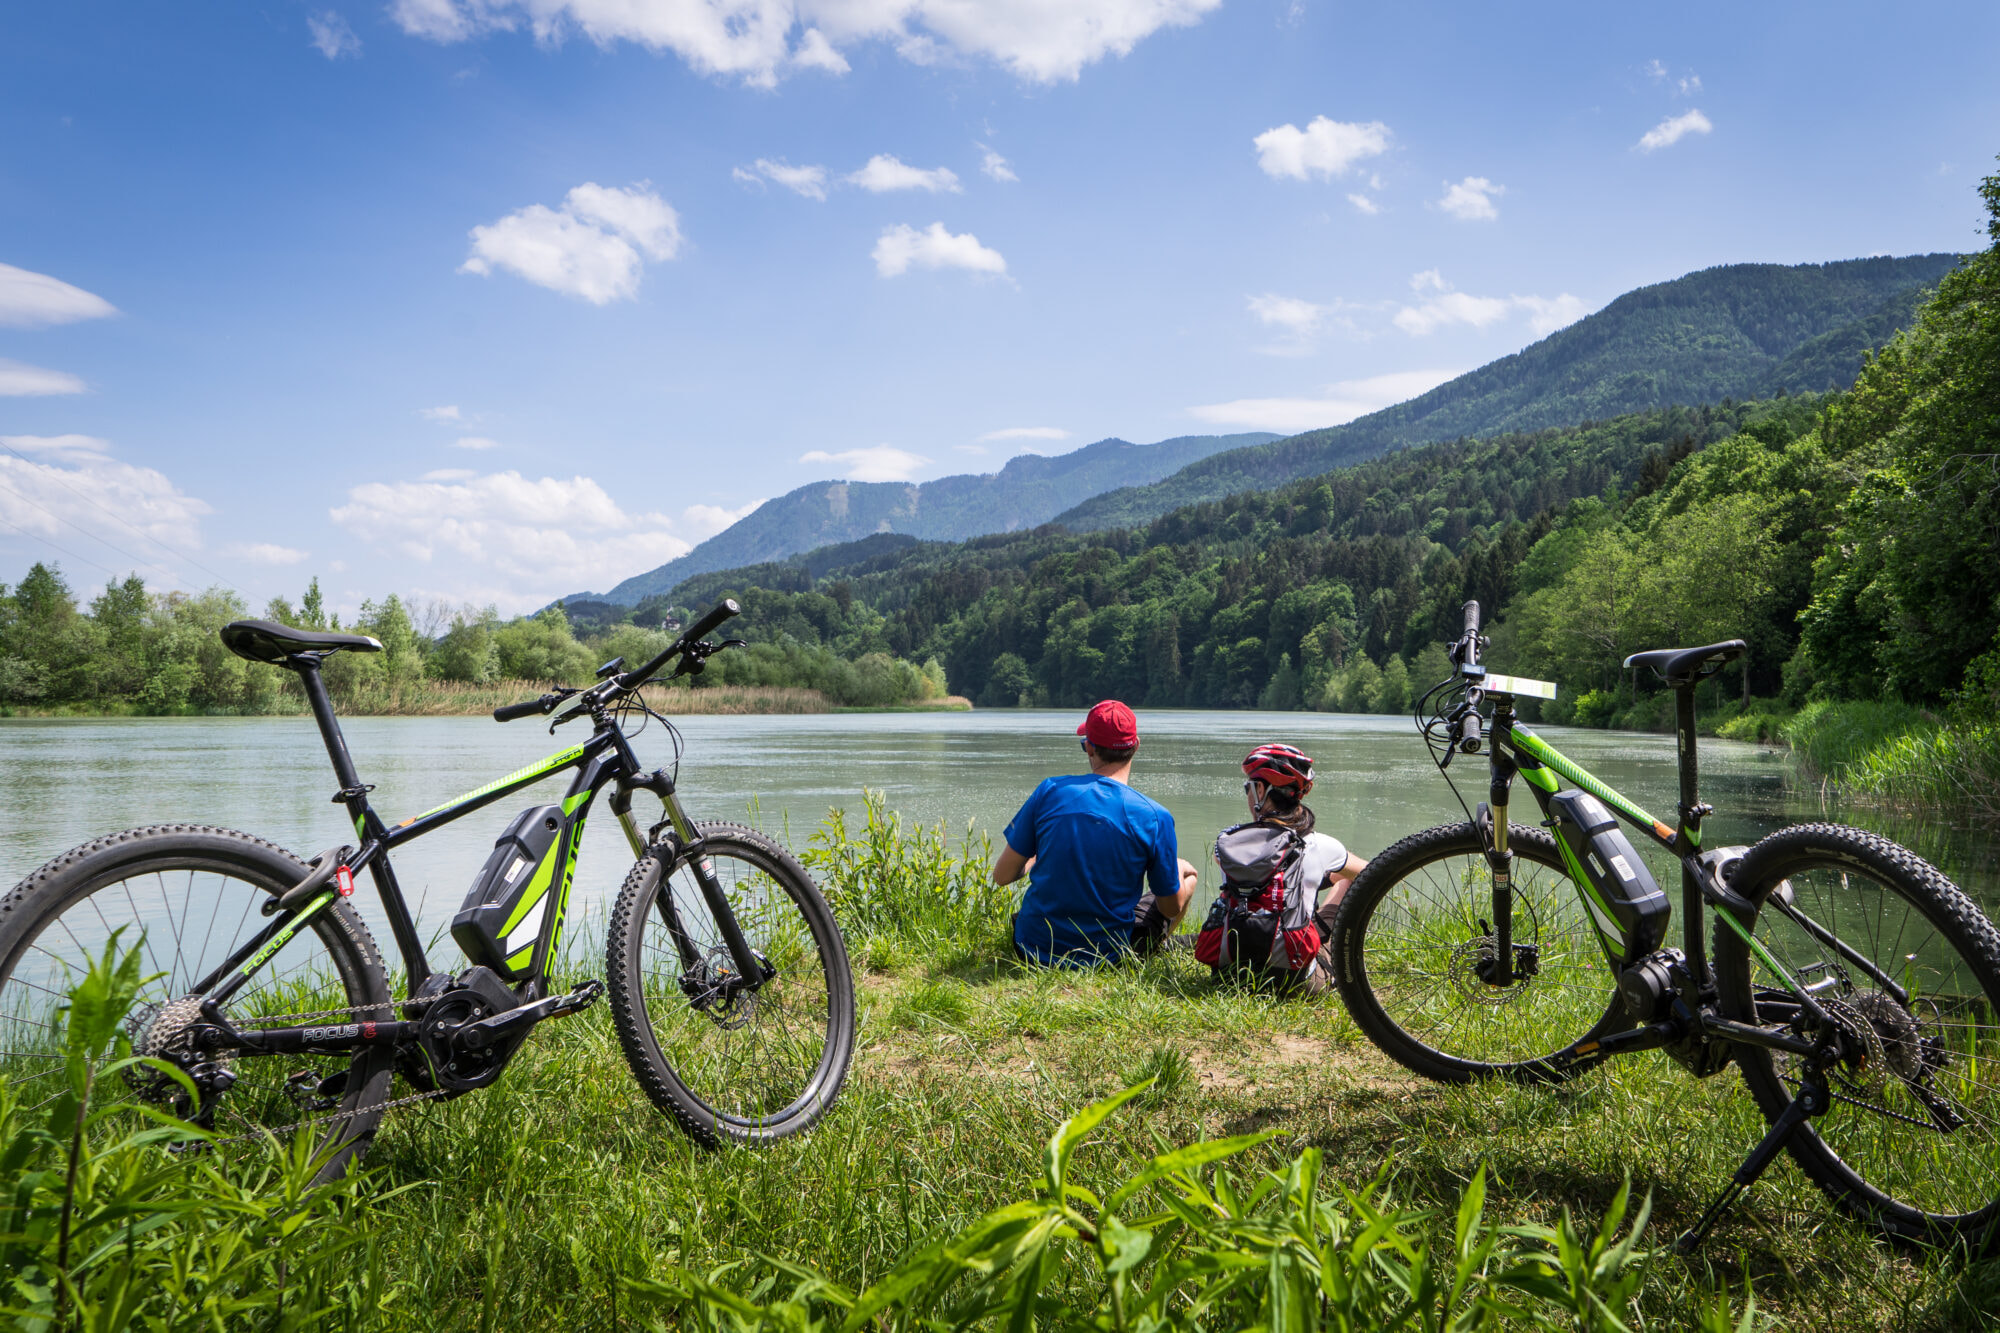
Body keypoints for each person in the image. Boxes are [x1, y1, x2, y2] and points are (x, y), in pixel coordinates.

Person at [992, 700, 1199, 965]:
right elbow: (1170, 907)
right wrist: (1176, 871)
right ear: (1136, 746)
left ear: (1088, 747)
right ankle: (1153, 947)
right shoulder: (1155, 816)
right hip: (1107, 957)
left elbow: (1002, 876)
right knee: (1187, 873)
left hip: (1032, 948)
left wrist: (1034, 860)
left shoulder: (1049, 791)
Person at [1198, 743, 1367, 994]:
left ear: (1260, 790)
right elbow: (1370, 872)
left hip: (1228, 976)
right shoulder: (1319, 845)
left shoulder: (1228, 843)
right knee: (1346, 880)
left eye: (1249, 788)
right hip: (1295, 981)